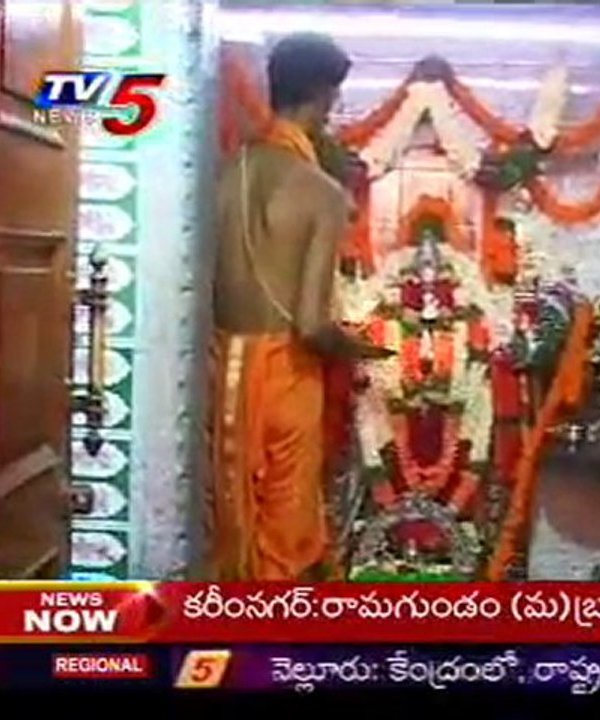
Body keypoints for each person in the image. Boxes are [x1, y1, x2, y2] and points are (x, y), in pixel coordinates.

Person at [209, 33, 390, 581]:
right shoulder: (321, 191)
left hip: (223, 369)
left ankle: (219, 650)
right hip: (285, 372)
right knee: (284, 540)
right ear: (326, 97)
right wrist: (358, 348)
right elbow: (311, 324)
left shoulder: (220, 174)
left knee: (228, 518)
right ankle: (271, 655)